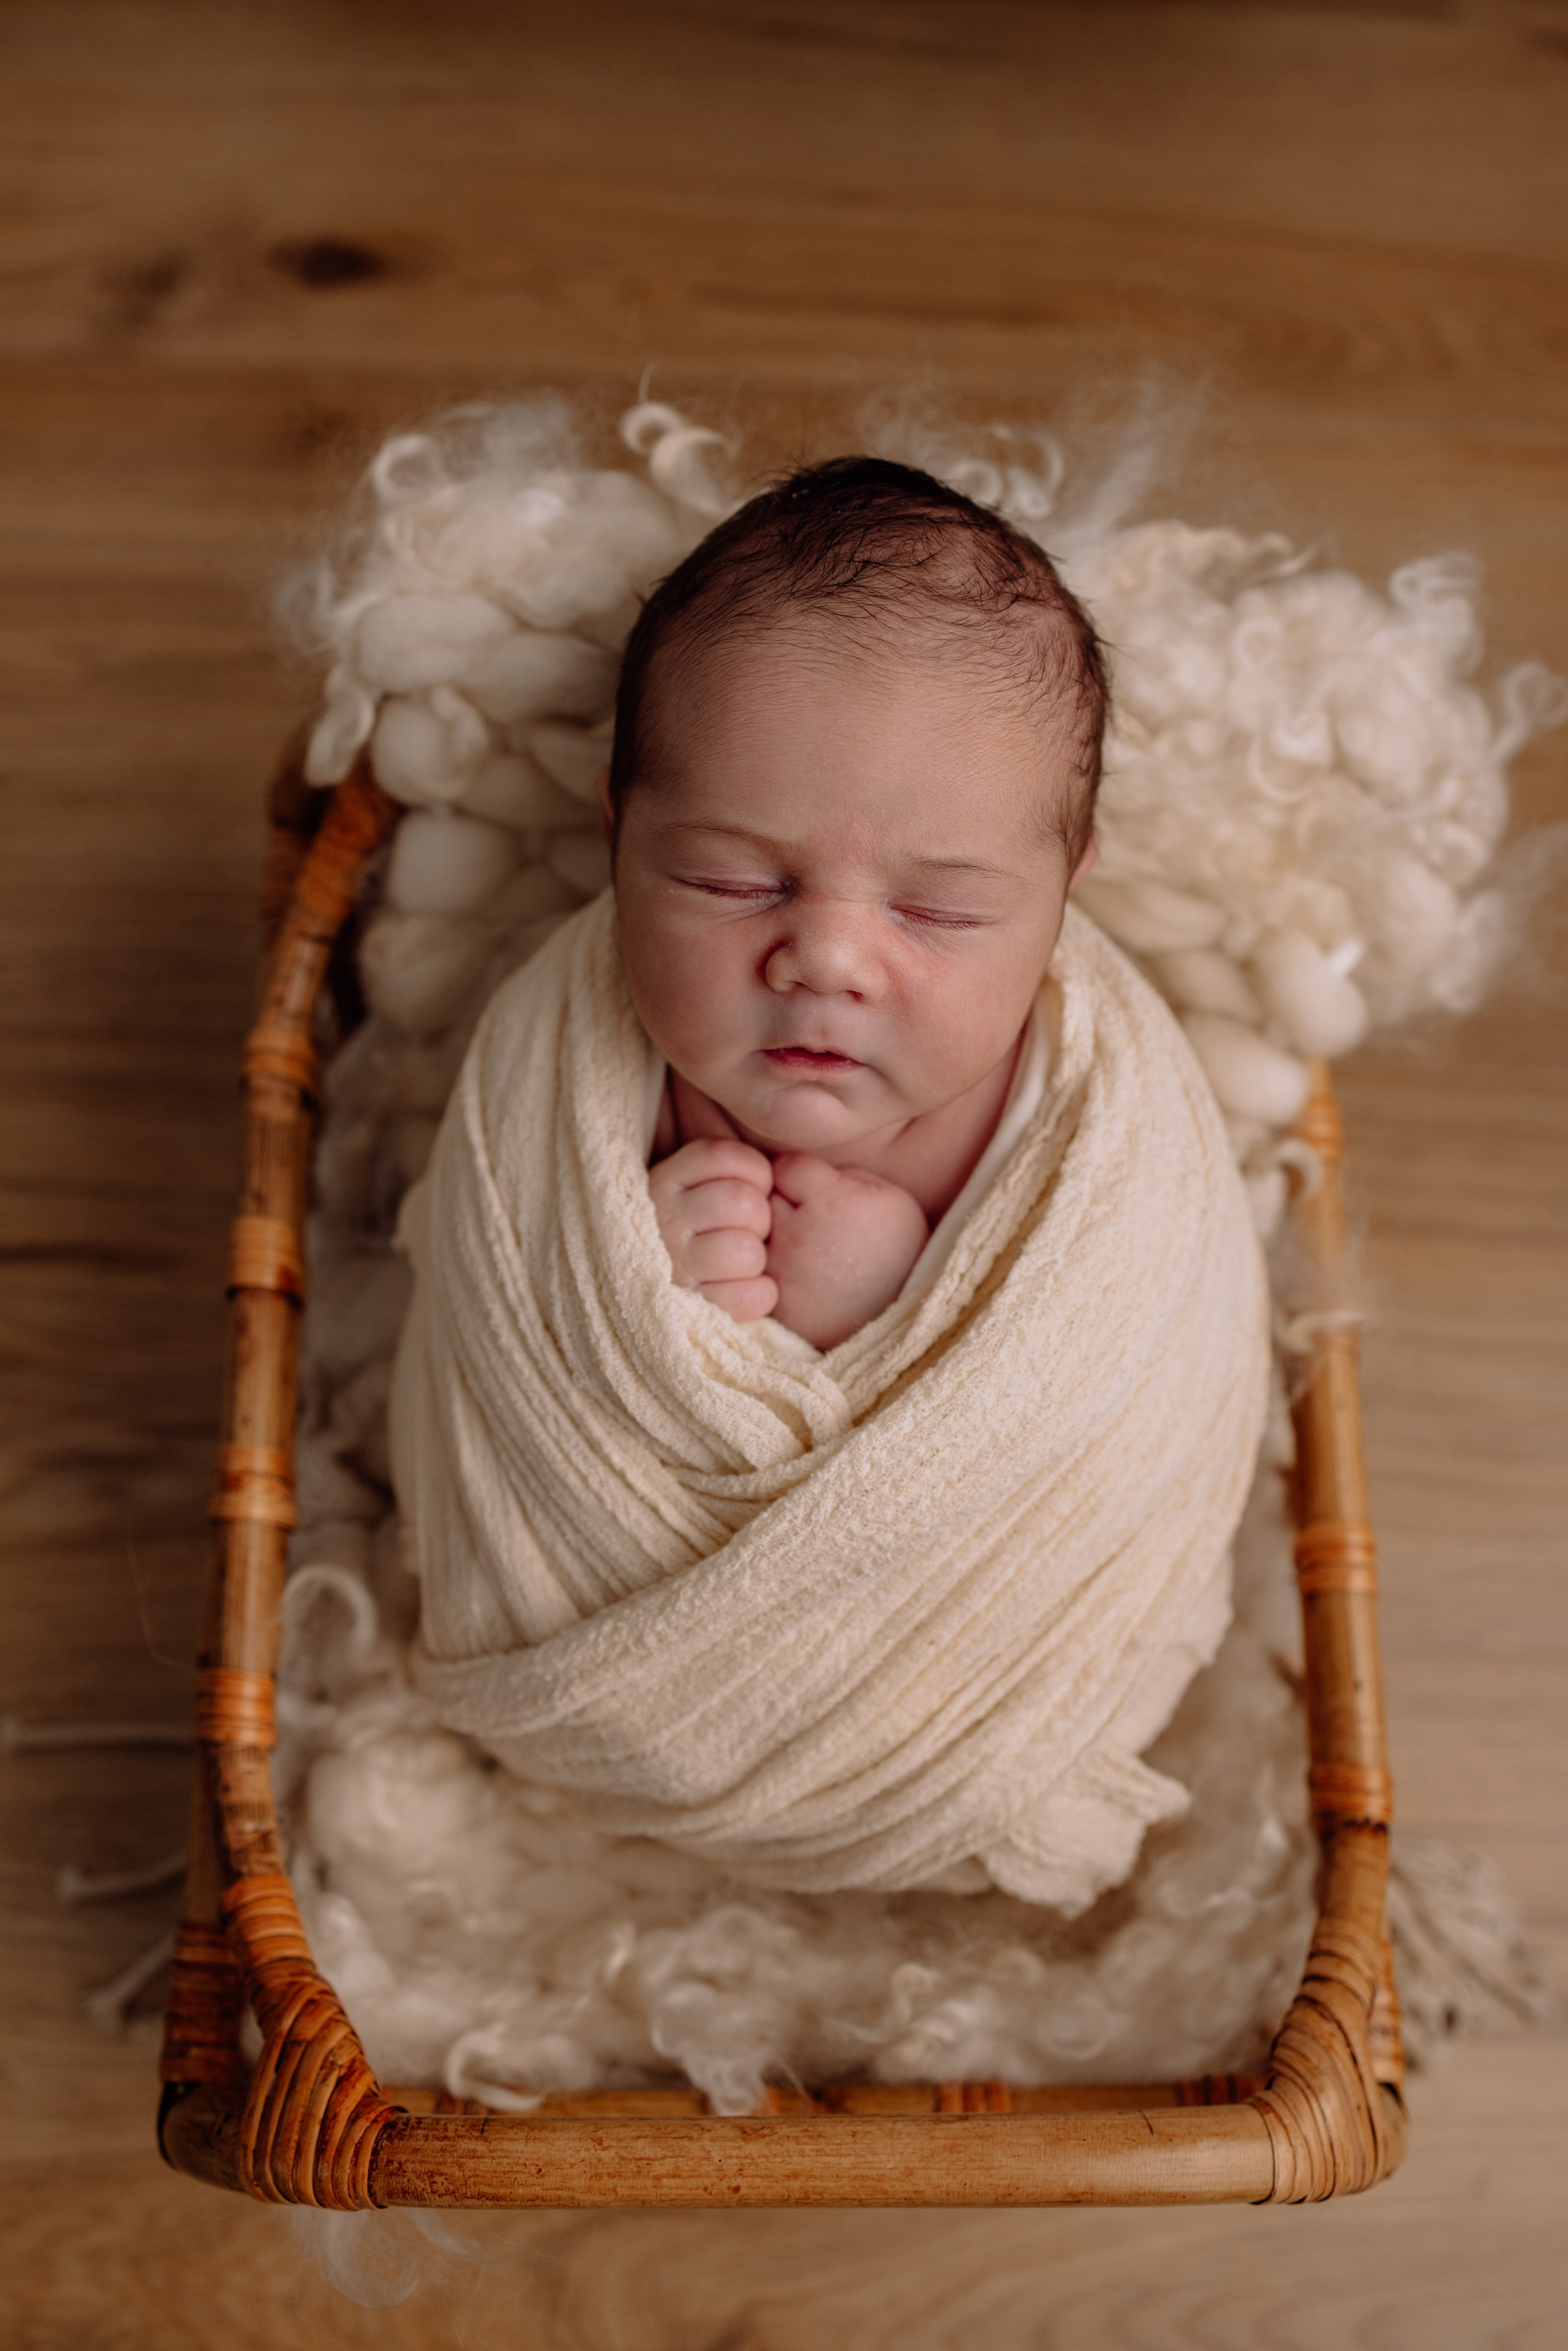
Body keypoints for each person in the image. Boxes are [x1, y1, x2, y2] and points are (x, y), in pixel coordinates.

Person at [615, 458, 1105, 1348]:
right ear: (616, 843)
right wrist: (633, 1276)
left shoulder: (1070, 1127)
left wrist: (882, 1303)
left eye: (940, 911)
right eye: (732, 882)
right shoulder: (597, 1076)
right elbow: (512, 1263)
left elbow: (1096, 1345)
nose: (828, 962)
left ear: (1064, 895)